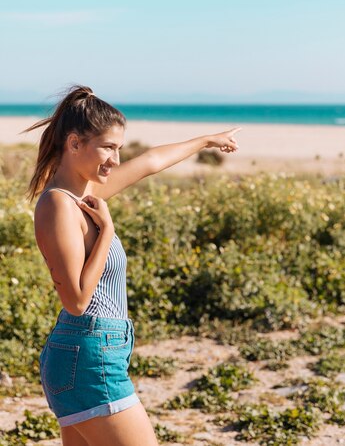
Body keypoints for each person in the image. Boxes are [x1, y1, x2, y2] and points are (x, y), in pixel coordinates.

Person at [24, 84, 241, 446]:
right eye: (108, 147)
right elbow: (76, 301)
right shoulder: (59, 205)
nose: (117, 160)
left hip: (90, 353)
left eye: (119, 148)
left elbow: (150, 163)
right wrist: (107, 230)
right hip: (88, 354)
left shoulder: (83, 196)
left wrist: (206, 140)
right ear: (74, 143)